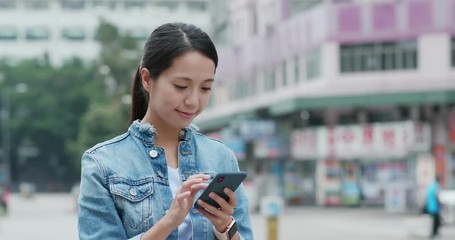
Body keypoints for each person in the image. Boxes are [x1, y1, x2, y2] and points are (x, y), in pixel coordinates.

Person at [78, 22, 253, 240]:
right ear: (147, 79)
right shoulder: (103, 164)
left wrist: (225, 228)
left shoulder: (221, 158)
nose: (193, 101)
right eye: (181, 86)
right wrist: (169, 222)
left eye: (206, 88)